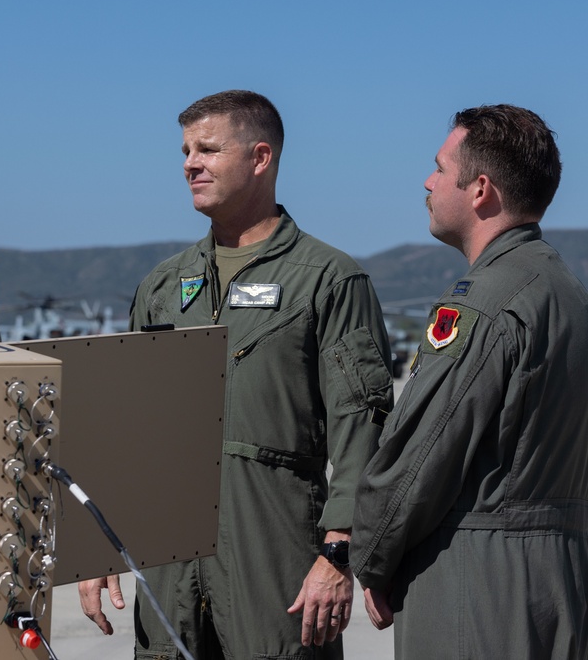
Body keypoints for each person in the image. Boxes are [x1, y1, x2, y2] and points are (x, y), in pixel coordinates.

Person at [79, 90, 393, 659]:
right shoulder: (162, 286)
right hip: (170, 567)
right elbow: (130, 425)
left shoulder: (328, 280)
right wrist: (98, 545)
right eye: (184, 150)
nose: (189, 164)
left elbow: (361, 429)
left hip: (275, 556)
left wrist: (340, 553)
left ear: (260, 157)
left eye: (208, 149)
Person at [352, 105, 588, 658]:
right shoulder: (568, 294)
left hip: (477, 592)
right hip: (563, 580)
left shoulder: (483, 304)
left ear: (480, 189)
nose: (428, 182)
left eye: (439, 167)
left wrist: (370, 557)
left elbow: (418, 457)